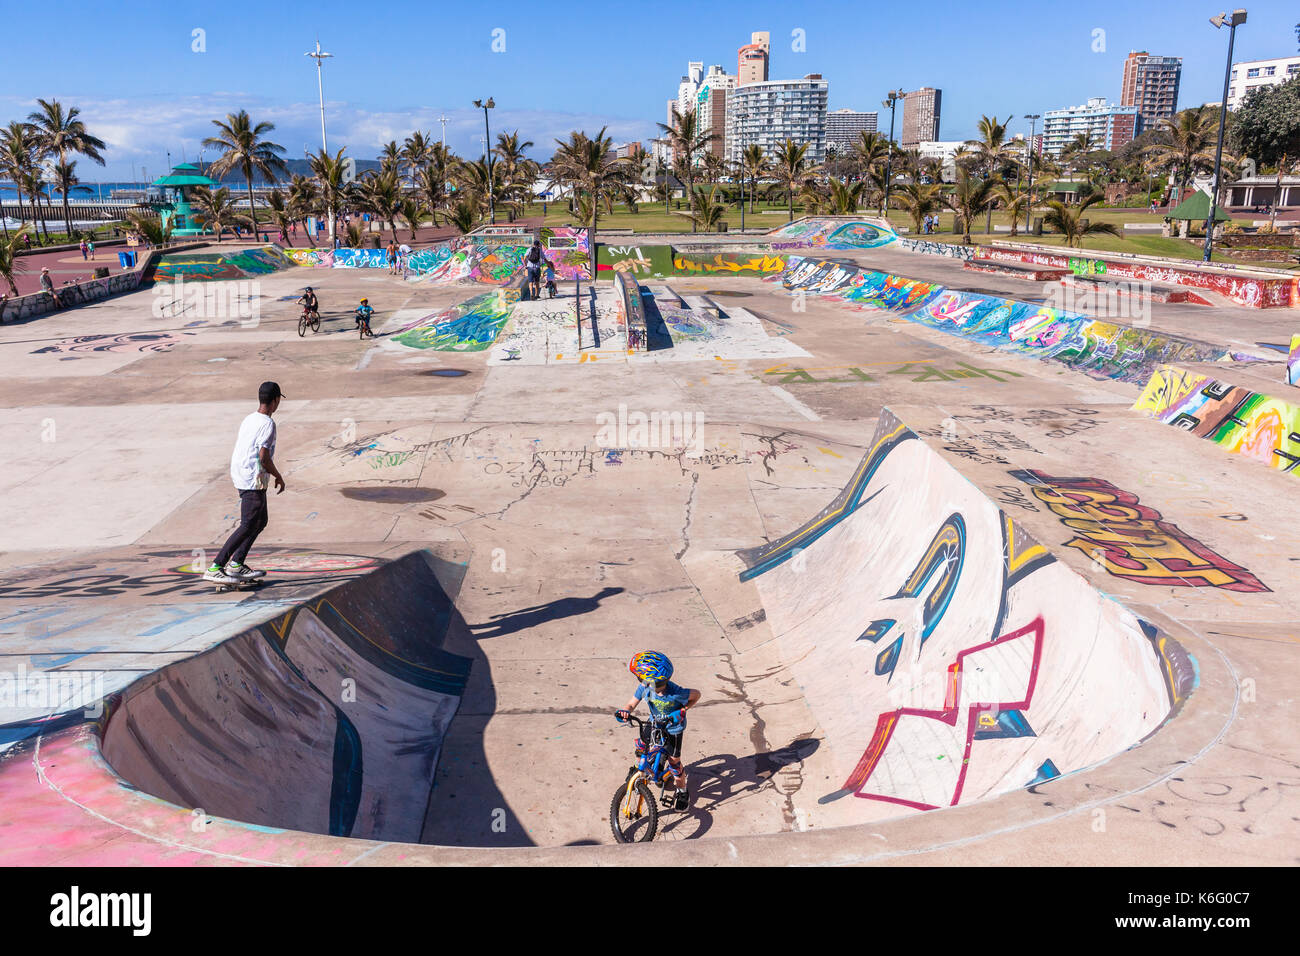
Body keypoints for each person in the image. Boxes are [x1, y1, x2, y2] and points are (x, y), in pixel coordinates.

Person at [203, 382, 286, 584]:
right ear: (275, 400)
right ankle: (216, 566)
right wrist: (278, 475)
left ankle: (236, 564)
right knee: (249, 524)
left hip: (243, 473)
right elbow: (263, 457)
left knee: (260, 521)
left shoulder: (250, 418)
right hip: (252, 477)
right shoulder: (268, 423)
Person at [615, 651, 700, 810]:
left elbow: (696, 695)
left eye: (648, 681)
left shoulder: (676, 693)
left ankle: (682, 791)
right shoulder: (645, 687)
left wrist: (682, 711)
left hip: (673, 729)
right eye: (643, 680)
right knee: (641, 747)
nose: (644, 683)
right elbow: (631, 704)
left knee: (674, 763)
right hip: (654, 723)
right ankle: (637, 767)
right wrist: (625, 712)